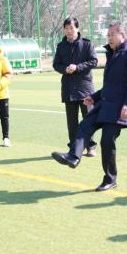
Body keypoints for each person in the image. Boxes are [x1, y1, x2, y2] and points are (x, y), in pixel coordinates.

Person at [51, 22, 127, 192]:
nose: (108, 39)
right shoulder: (113, 54)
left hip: (119, 109)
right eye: (107, 35)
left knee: (107, 141)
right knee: (85, 126)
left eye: (111, 35)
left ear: (122, 36)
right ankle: (73, 156)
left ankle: (110, 179)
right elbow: (111, 85)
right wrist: (93, 97)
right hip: (104, 104)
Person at [53, 17, 98, 157]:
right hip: (68, 89)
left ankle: (90, 147)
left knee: (88, 120)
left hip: (85, 89)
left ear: (77, 28)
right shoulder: (61, 46)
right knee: (71, 123)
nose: (69, 31)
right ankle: (74, 149)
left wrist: (77, 67)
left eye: (71, 28)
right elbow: (56, 64)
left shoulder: (86, 44)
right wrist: (65, 69)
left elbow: (94, 61)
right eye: (66, 28)